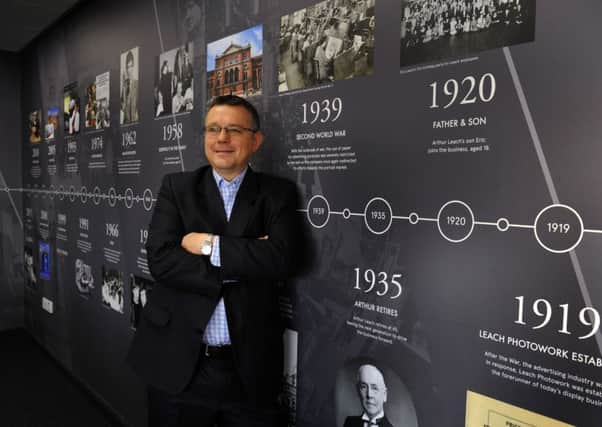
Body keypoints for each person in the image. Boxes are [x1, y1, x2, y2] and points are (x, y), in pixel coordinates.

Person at [127, 95, 302, 426]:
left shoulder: (277, 193)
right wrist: (247, 258)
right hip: (178, 365)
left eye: (234, 129)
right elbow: (161, 261)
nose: (222, 138)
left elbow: (282, 259)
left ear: (256, 140)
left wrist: (208, 245)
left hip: (248, 370)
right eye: (214, 129)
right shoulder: (177, 188)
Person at [121, 50, 139, 123]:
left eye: (131, 66)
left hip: (135, 121)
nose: (129, 69)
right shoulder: (124, 84)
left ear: (133, 66)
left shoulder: (138, 84)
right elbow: (122, 105)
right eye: (127, 67)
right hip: (126, 122)